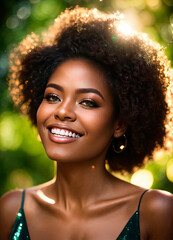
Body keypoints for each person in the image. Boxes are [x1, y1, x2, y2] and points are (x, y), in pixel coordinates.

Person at [0, 6, 173, 240]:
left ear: (120, 124)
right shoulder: (11, 210)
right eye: (53, 97)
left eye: (88, 102)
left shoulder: (156, 212)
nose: (62, 111)